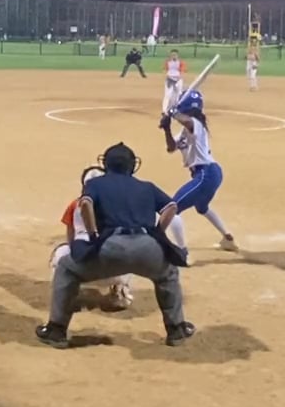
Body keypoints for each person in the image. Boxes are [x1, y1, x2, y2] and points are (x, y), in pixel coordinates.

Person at [38, 142, 195, 349]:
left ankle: (56, 330)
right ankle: (176, 330)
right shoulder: (147, 186)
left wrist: (93, 234)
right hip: (147, 246)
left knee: (66, 268)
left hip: (111, 247)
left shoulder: (96, 184)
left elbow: (85, 204)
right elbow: (171, 207)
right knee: (168, 274)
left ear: (105, 164)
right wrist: (157, 232)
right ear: (133, 165)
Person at [160, 90, 236, 253]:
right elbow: (171, 148)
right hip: (208, 174)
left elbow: (187, 121)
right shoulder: (185, 131)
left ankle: (182, 252)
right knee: (201, 207)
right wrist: (167, 128)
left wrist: (173, 113)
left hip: (206, 174)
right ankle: (228, 238)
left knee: (172, 208)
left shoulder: (196, 124)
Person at [50, 165, 133, 311]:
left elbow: (71, 239)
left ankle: (67, 295)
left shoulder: (74, 205)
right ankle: (119, 294)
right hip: (114, 273)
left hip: (81, 271)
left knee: (60, 253)